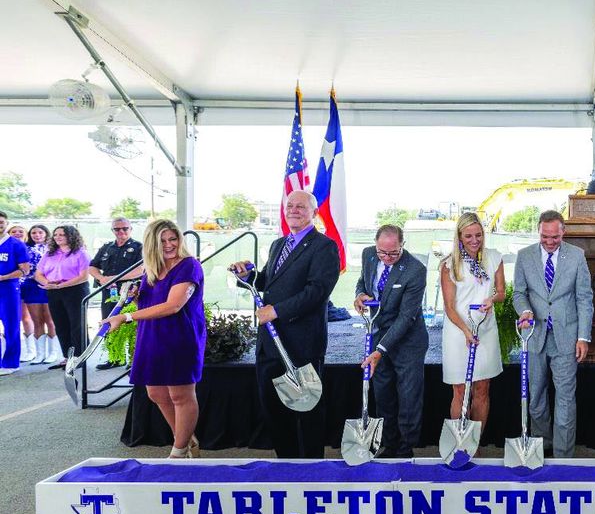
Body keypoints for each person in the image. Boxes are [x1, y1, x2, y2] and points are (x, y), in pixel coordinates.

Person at [230, 190, 339, 459]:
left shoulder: (325, 246)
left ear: (313, 212)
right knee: (274, 408)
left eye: (301, 206)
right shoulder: (279, 244)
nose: (293, 210)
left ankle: (312, 469)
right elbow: (268, 281)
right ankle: (286, 464)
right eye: (289, 205)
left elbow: (317, 292)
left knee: (308, 409)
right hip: (270, 343)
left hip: (302, 343)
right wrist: (248, 275)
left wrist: (276, 311)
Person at [103, 220, 205, 458]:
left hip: (179, 337)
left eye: (173, 239)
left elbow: (173, 306)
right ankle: (188, 441)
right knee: (156, 394)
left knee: (181, 395)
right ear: (152, 243)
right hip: (151, 336)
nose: (169, 245)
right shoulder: (151, 268)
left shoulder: (189, 266)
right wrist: (136, 296)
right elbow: (151, 303)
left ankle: (178, 451)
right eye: (162, 240)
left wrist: (126, 317)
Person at [513, 210, 594, 458]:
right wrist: (525, 311)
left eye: (555, 237)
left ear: (563, 232)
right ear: (538, 231)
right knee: (535, 397)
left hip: (566, 338)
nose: (549, 242)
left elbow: (584, 298)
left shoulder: (577, 256)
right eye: (545, 237)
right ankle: (541, 446)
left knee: (565, 399)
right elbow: (519, 293)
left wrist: (583, 336)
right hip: (535, 336)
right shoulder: (524, 256)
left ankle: (563, 457)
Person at [355, 224, 429, 459]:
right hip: (378, 331)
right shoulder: (368, 255)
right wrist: (360, 295)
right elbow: (362, 282)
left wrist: (380, 350)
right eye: (382, 253)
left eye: (393, 253)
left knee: (408, 396)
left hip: (408, 340)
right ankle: (388, 443)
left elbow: (407, 317)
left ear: (402, 245)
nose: (387, 258)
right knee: (383, 392)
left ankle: (406, 448)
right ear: (375, 245)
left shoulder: (416, 270)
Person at [440, 212, 505, 448]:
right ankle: (459, 443)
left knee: (482, 388)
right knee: (459, 388)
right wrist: (467, 332)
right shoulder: (449, 265)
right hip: (459, 332)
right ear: (459, 236)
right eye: (468, 236)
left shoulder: (494, 258)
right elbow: (448, 306)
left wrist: (492, 300)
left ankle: (474, 444)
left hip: (485, 329)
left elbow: (501, 292)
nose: (474, 240)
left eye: (478, 235)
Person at [88, 217, 144, 369]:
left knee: (131, 325)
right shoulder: (106, 247)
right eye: (117, 229)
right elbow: (92, 267)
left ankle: (134, 360)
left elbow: (140, 270)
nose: (121, 232)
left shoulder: (139, 247)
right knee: (108, 321)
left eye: (125, 228)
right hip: (109, 292)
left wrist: (114, 278)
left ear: (130, 229)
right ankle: (115, 358)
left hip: (131, 292)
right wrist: (102, 278)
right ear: (112, 230)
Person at [34, 225, 90, 370]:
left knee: (77, 324)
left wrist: (61, 286)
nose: (57, 237)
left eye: (62, 235)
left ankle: (80, 357)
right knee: (61, 324)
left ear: (71, 236)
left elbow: (83, 276)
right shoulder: (49, 254)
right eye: (55, 234)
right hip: (53, 290)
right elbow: (38, 274)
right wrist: (48, 284)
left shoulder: (80, 253)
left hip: (75, 290)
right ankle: (67, 357)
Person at [20, 224, 57, 365]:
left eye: (40, 232)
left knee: (50, 320)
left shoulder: (54, 249)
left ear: (46, 234)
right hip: (30, 286)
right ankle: (40, 354)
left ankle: (52, 353)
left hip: (49, 285)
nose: (37, 235)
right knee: (37, 321)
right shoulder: (25, 248)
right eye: (33, 233)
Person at [0, 212, 31, 373]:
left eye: (1, 222)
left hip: (8, 290)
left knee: (11, 326)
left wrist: (4, 277)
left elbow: (25, 270)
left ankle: (11, 363)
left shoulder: (16, 244)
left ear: (6, 223)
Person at [8, 225, 36, 364]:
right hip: (10, 287)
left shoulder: (31, 248)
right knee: (12, 319)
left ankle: (31, 350)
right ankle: (17, 351)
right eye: (14, 231)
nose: (17, 233)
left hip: (28, 285)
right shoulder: (8, 247)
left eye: (21, 231)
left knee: (26, 317)